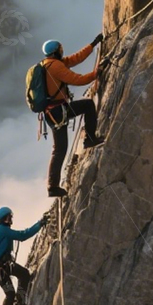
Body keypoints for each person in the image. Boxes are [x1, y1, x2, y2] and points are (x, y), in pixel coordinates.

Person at [41, 36, 105, 197]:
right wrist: (95, 74)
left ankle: (52, 186)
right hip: (58, 111)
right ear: (56, 52)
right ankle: (90, 139)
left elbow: (75, 58)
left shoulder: (47, 64)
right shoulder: (55, 67)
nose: (63, 52)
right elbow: (77, 80)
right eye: (60, 50)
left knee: (59, 149)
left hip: (51, 112)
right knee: (88, 105)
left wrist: (92, 45)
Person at [0, 206, 49, 305]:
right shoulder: (3, 230)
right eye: (10, 216)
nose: (12, 218)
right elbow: (22, 235)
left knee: (21, 277)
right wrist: (40, 224)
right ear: (6, 218)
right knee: (13, 289)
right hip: (0, 269)